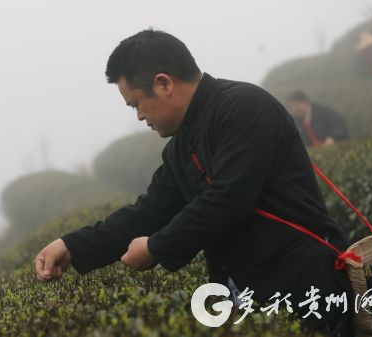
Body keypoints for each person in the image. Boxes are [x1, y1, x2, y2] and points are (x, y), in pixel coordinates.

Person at [34, 29, 355, 337]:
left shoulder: (244, 107)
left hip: (304, 286)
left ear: (163, 84)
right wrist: (72, 245)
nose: (139, 117)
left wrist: (156, 247)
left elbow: (229, 198)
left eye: (136, 104)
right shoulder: (179, 147)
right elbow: (147, 213)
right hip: (247, 294)